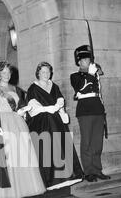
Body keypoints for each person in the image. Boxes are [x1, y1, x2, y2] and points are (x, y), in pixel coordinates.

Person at [0, 61, 46, 198]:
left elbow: (19, 109)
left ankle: (26, 187)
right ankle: (8, 190)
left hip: (17, 123)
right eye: (3, 72)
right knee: (6, 157)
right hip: (2, 123)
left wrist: (25, 109)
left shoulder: (16, 90)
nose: (7, 75)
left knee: (21, 155)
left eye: (8, 72)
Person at [25, 62, 83, 190]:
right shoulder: (33, 88)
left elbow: (60, 98)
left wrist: (58, 105)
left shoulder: (54, 85)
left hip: (56, 121)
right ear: (38, 73)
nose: (46, 74)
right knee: (48, 149)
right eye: (43, 72)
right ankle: (51, 180)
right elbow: (33, 106)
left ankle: (67, 177)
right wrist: (49, 108)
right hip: (42, 123)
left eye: (48, 72)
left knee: (61, 146)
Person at [70, 45, 110, 182]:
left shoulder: (95, 73)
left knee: (97, 143)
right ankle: (88, 172)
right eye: (85, 59)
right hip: (85, 111)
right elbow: (80, 86)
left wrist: (94, 73)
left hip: (98, 109)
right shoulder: (75, 76)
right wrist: (91, 74)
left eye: (89, 58)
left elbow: (98, 89)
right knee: (86, 142)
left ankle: (97, 170)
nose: (88, 61)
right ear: (79, 62)